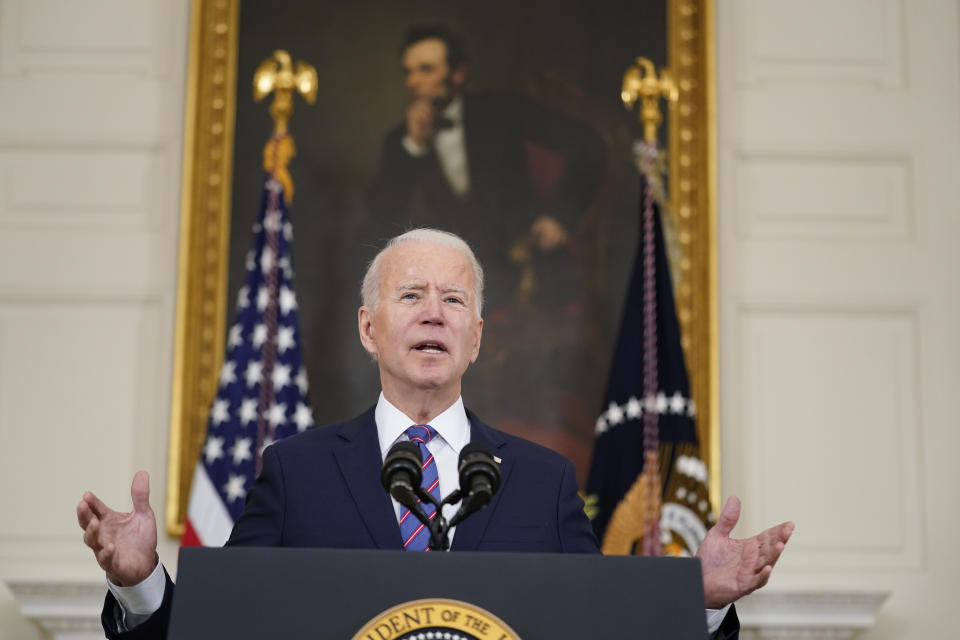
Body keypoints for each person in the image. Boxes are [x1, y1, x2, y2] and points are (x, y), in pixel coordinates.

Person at [78, 229, 793, 639]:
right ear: (369, 327)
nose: (433, 314)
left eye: (454, 300)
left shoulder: (543, 483)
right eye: (411, 296)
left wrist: (699, 601)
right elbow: (225, 629)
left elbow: (599, 631)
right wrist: (142, 586)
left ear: (476, 337)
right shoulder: (295, 472)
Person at [366, 25, 605, 311]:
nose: (413, 81)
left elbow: (589, 144)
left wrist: (559, 216)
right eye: (408, 71)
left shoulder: (503, 112)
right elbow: (381, 217)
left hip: (524, 264)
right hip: (446, 277)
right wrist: (415, 147)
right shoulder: (400, 142)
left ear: (458, 74)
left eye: (426, 69)